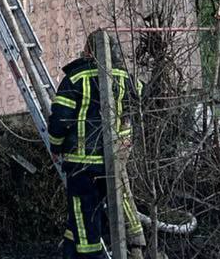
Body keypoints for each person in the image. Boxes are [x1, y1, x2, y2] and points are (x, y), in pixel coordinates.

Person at [48, 33, 147, 258]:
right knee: (88, 215)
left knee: (84, 217)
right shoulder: (126, 78)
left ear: (89, 51)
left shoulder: (75, 78)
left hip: (82, 166)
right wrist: (126, 138)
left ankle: (91, 255)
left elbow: (60, 120)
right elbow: (139, 105)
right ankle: (72, 253)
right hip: (113, 163)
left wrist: (55, 147)